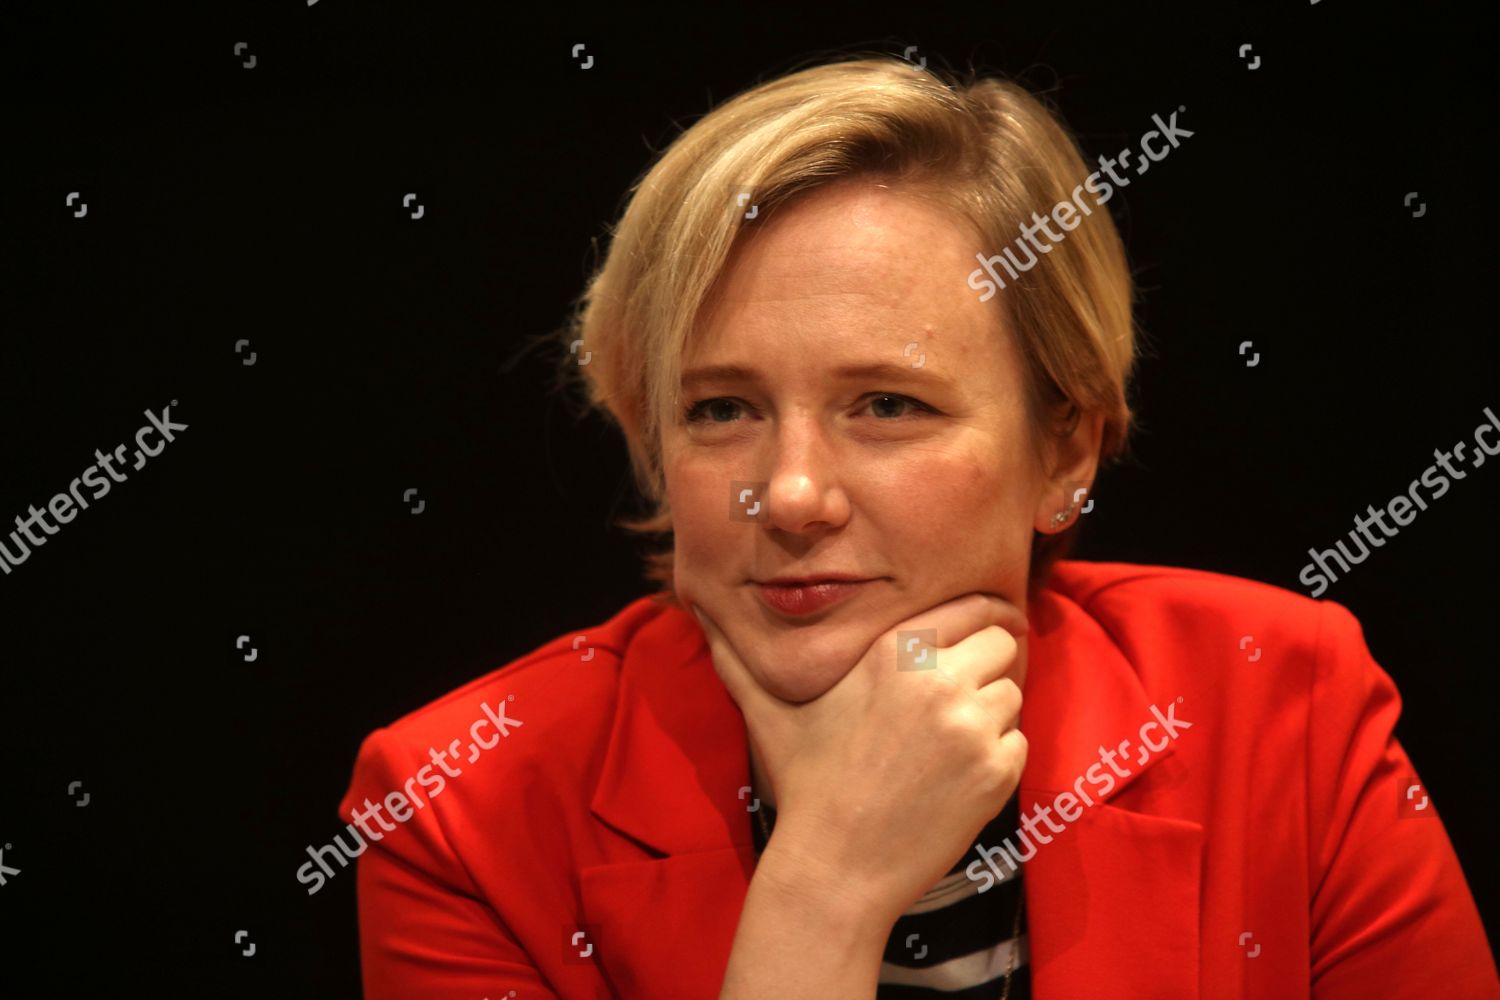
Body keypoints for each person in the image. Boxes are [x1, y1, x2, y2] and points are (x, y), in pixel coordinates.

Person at [337, 54, 1499, 998]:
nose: (790, 494)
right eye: (721, 409)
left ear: (1066, 449)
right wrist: (826, 891)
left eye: (887, 405)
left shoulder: (1282, 701)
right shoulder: (456, 809)